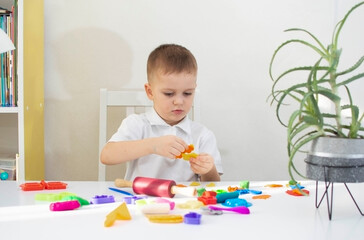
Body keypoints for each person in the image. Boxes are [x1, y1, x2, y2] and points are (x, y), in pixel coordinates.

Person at [100, 43, 223, 182]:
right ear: (150, 92)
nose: (179, 101)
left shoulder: (202, 135)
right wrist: (153, 146)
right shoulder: (137, 124)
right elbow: (106, 156)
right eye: (169, 94)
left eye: (187, 93)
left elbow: (213, 183)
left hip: (184, 202)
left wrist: (208, 169)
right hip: (140, 201)